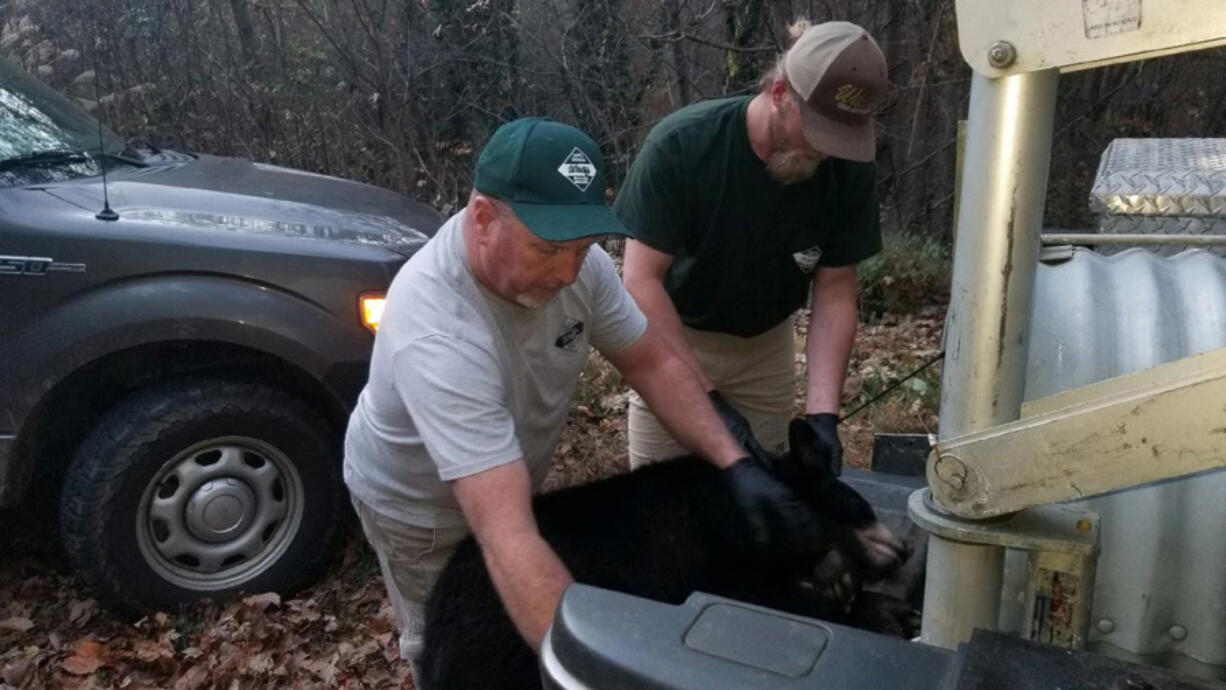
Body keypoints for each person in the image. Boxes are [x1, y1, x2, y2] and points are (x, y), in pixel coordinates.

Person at [342, 117, 826, 683]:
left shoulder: (577, 267)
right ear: (481, 218)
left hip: (505, 474)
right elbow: (507, 534)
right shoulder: (437, 330)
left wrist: (735, 460)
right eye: (548, 250)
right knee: (453, 646)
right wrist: (589, 673)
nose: (570, 270)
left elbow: (651, 361)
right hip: (418, 503)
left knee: (521, 621)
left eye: (583, 247)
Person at [615, 20, 888, 475]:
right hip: (674, 336)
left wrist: (823, 415)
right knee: (665, 509)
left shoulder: (845, 167)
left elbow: (836, 289)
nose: (826, 150)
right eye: (818, 130)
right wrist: (702, 397)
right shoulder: (682, 146)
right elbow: (640, 282)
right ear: (780, 93)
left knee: (763, 505)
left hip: (766, 346)